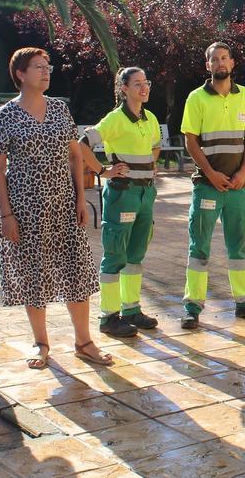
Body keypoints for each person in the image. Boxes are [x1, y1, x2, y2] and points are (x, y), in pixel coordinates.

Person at [0, 47, 112, 369]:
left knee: (76, 272)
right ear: (20, 74)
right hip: (26, 208)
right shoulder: (6, 115)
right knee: (34, 277)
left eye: (48, 66)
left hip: (63, 204)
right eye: (38, 67)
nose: (46, 72)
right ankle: (41, 344)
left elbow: (75, 154)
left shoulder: (59, 109)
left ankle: (84, 342)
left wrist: (79, 197)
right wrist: (6, 215)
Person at [179, 42, 245, 329]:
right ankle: (193, 307)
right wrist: (211, 173)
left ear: (232, 63)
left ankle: (244, 303)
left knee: (238, 248)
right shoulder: (196, 98)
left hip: (237, 188)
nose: (220, 63)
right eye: (214, 59)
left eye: (224, 58)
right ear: (208, 66)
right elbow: (190, 141)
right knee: (199, 247)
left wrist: (244, 171)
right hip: (208, 186)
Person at [78, 67, 161, 338]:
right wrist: (103, 171)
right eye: (137, 84)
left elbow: (155, 145)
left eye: (145, 83)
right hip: (122, 194)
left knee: (136, 254)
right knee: (115, 255)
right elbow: (81, 144)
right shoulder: (114, 119)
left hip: (145, 194)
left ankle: (131, 310)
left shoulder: (149, 119)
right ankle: (109, 317)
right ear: (124, 88)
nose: (143, 88)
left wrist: (150, 166)